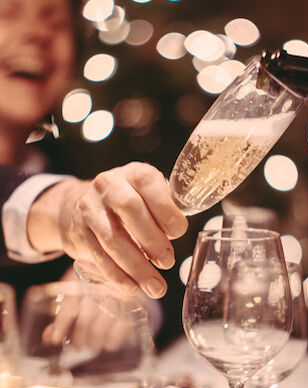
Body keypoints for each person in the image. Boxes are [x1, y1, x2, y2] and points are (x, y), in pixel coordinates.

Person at [0, 0, 188, 302]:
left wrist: (124, 298)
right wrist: (66, 208)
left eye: (55, 20)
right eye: (6, 13)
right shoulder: (77, 187)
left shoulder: (74, 162)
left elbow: (173, 287)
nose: (37, 33)